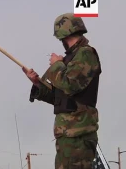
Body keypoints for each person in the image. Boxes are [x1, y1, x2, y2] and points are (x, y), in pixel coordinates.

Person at [22, 13, 102, 169]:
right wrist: (37, 83)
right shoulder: (70, 59)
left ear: (62, 34)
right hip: (68, 134)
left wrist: (56, 65)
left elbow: (70, 85)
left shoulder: (85, 54)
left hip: (78, 134)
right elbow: (60, 97)